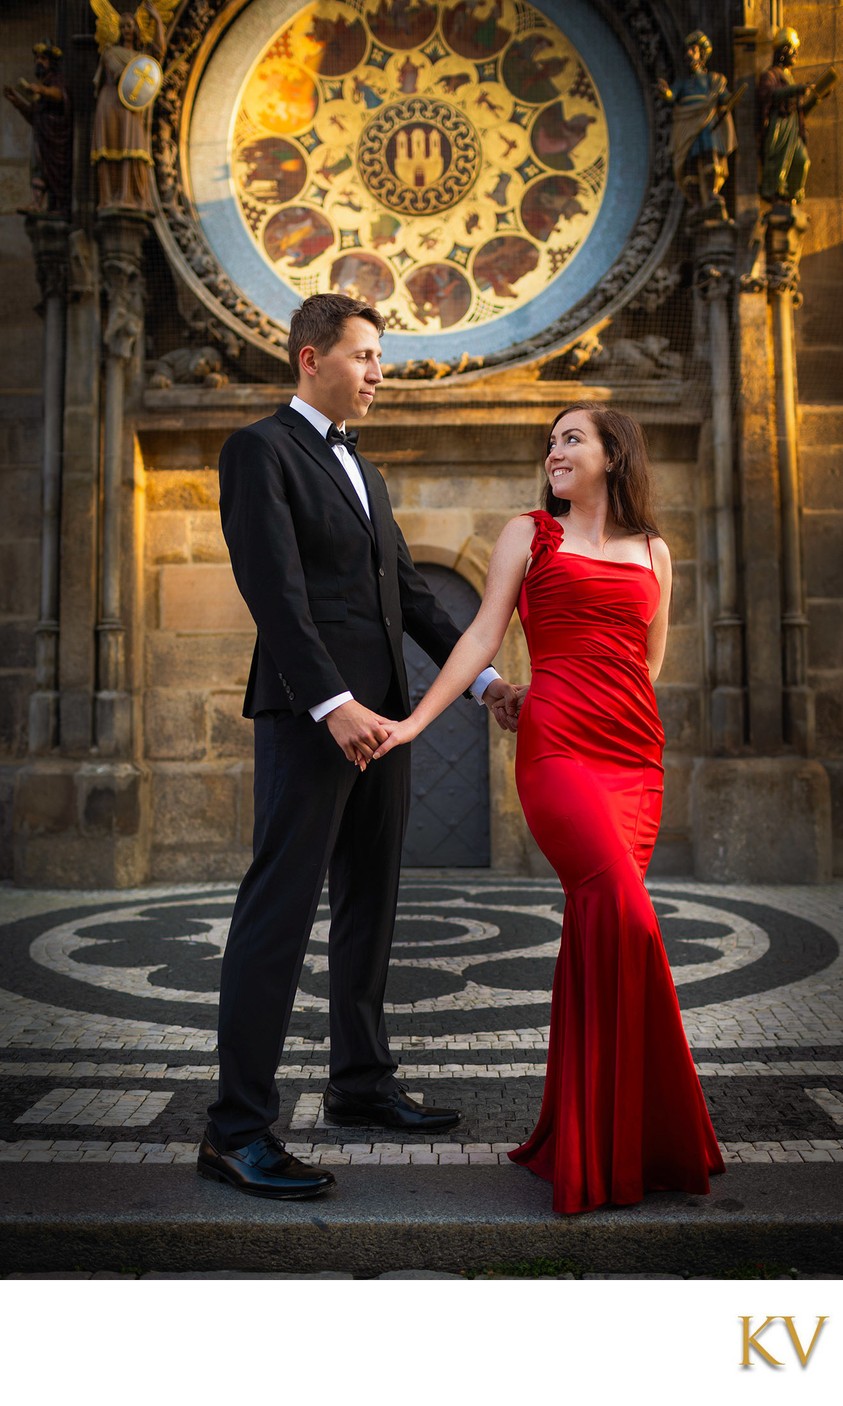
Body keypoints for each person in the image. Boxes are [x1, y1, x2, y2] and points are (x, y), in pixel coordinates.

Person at [198, 293, 516, 1199]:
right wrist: (330, 702)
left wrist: (487, 685)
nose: (380, 373)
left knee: (371, 903)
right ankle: (234, 1130)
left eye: (381, 358)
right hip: (315, 719)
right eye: (366, 355)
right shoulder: (259, 451)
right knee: (279, 911)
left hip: (389, 718)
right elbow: (273, 592)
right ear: (310, 359)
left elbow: (409, 599)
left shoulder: (362, 470)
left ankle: (361, 1086)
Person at [373, 401, 725, 1214]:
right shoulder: (528, 533)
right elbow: (478, 637)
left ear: (613, 454)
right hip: (558, 748)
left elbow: (646, 659)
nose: (555, 451)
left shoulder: (654, 551)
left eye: (571, 438)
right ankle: (637, 1137)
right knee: (626, 919)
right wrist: (420, 721)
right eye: (550, 442)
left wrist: (606, 698)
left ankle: (611, 1141)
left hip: (634, 758)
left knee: (602, 932)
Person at [90, 1, 166, 211]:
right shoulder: (110, 52)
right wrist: (146, 75)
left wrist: (158, 22)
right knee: (111, 148)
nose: (127, 30)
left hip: (132, 107)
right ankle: (109, 198)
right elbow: (119, 74)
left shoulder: (141, 56)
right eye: (123, 26)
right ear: (118, 30)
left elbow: (159, 51)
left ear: (137, 28)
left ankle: (133, 196)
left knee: (133, 147)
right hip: (112, 102)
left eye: (131, 26)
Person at [657, 30, 737, 213]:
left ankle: (711, 193)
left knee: (710, 155)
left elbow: (724, 97)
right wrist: (666, 93)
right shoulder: (683, 83)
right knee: (689, 162)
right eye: (687, 51)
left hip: (706, 121)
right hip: (687, 123)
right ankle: (695, 202)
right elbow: (672, 96)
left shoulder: (712, 80)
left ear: (702, 53)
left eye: (693, 49)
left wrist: (728, 100)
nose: (689, 54)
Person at [3, 40, 72, 216]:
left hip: (56, 139)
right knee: (37, 167)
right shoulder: (43, 84)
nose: (38, 62)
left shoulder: (56, 80)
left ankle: (61, 206)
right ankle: (36, 202)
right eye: (37, 59)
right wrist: (16, 101)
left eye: (43, 58)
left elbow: (59, 95)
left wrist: (42, 90)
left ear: (51, 62)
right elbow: (33, 116)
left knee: (56, 171)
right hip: (41, 135)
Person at [757, 27, 813, 205]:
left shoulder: (789, 77)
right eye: (792, 49)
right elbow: (768, 94)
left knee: (802, 161)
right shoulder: (771, 75)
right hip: (779, 126)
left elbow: (800, 110)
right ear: (782, 52)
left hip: (793, 127)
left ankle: (792, 197)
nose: (796, 53)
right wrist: (797, 89)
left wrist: (816, 99)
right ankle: (776, 194)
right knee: (778, 163)